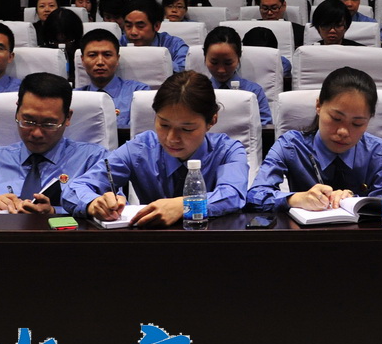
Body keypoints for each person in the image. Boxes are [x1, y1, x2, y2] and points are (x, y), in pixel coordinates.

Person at [71, 71, 249, 227]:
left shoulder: (228, 151)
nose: (172, 138)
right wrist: (93, 203)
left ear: (212, 121)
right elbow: (77, 187)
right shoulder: (140, 149)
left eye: (186, 129)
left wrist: (185, 205)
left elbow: (233, 195)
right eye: (164, 125)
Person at [0, 73, 108, 215]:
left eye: (49, 124)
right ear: (17, 111)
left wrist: (55, 212)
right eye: (28, 121)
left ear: (67, 117)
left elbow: (115, 209)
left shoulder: (93, 160)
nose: (36, 133)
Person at [247, 68, 382, 211]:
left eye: (357, 124)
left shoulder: (378, 152)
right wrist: (296, 199)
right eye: (336, 118)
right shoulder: (291, 146)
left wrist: (355, 201)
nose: (343, 132)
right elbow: (255, 196)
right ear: (318, 106)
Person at [76, 28, 149, 129]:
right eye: (92, 55)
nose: (100, 62)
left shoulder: (138, 92)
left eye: (107, 55)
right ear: (83, 60)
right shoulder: (74, 97)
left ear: (117, 59)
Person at [203, 25, 273, 129]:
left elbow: (265, 128)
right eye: (214, 62)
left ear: (238, 58)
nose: (221, 70)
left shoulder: (254, 91)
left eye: (228, 63)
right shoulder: (198, 91)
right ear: (205, 57)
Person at [121, 0, 188, 71]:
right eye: (128, 26)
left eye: (140, 26)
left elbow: (183, 71)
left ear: (156, 26)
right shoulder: (120, 43)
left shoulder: (174, 44)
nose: (133, 32)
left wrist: (155, 58)